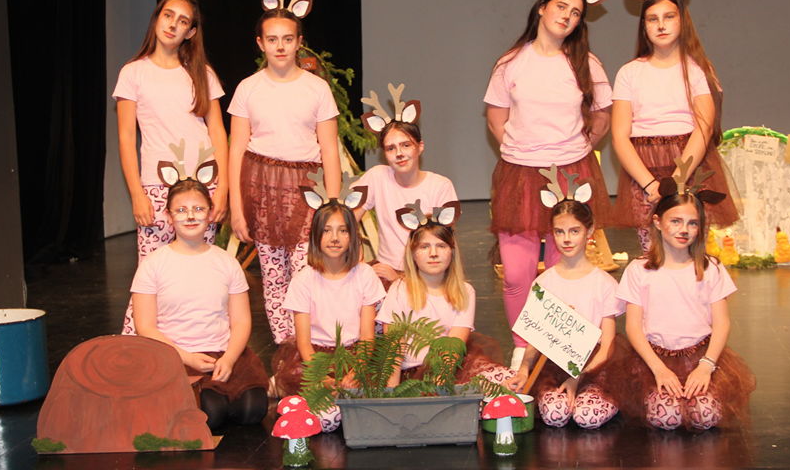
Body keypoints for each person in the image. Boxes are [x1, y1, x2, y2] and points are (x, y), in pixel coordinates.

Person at [483, 0, 615, 368]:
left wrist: (576, 147)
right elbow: (496, 117)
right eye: (561, 7)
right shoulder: (510, 63)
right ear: (542, 7)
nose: (567, 17)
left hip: (570, 173)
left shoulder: (586, 64)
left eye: (576, 13)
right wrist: (522, 148)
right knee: (517, 275)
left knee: (563, 273)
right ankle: (523, 352)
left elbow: (603, 116)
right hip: (520, 175)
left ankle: (557, 356)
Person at [227, 0, 342, 344]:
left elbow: (329, 149)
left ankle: (312, 344)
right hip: (261, 189)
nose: (280, 46)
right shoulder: (248, 88)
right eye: (272, 39)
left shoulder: (316, 88)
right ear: (260, 43)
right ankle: (286, 346)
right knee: (273, 273)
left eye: (287, 39)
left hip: (307, 190)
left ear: (299, 42)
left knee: (306, 270)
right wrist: (237, 208)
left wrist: (333, 205)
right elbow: (236, 150)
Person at [113, 0, 227, 334]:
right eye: (168, 15)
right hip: (157, 186)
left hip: (203, 186)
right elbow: (125, 139)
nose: (173, 25)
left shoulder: (201, 73)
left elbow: (218, 133)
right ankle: (137, 348)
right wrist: (137, 194)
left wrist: (222, 191)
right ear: (157, 18)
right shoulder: (133, 73)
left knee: (197, 271)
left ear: (190, 32)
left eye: (183, 21)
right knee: (152, 274)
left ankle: (193, 342)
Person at [612, 0, 739, 251]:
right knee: (652, 251)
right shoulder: (629, 72)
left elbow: (704, 128)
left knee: (690, 247)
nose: (661, 25)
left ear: (682, 20)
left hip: (688, 164)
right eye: (652, 19)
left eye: (669, 17)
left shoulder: (697, 70)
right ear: (644, 26)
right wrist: (650, 184)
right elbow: (619, 135)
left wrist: (678, 179)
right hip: (643, 167)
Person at [614, 183, 754, 430]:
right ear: (658, 222)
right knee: (666, 417)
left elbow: (722, 323)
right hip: (654, 359)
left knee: (705, 416)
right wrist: (659, 370)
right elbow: (633, 327)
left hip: (700, 357)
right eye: (676, 221)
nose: (684, 230)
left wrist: (706, 366)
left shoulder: (710, 268)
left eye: (692, 223)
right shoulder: (639, 270)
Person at [131, 177, 268, 430]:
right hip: (176, 356)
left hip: (221, 354)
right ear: (169, 216)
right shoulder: (153, 265)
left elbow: (241, 321)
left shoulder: (226, 263)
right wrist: (187, 358)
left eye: (198, 208)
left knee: (253, 410)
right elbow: (145, 327)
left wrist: (229, 358)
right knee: (211, 415)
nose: (190, 216)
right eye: (181, 210)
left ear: (210, 212)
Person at [506, 185, 622, 429]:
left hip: (594, 368)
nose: (567, 239)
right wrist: (525, 368)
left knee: (587, 416)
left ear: (589, 230)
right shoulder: (543, 283)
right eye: (559, 232)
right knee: (554, 415)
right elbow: (537, 338)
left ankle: (596, 400)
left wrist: (578, 378)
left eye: (574, 231)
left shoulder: (604, 284)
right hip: (554, 365)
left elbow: (608, 346)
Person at [377, 201, 512, 387]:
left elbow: (453, 346)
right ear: (413, 253)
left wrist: (441, 388)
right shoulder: (400, 289)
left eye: (441, 246)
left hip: (450, 367)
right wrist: (391, 393)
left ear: (452, 252)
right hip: (412, 374)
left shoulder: (465, 291)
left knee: (505, 381)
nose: (433, 253)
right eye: (424, 247)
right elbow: (394, 348)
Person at [271, 198, 386, 405]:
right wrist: (320, 376)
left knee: (370, 388)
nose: (334, 238)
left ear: (352, 236)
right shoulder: (304, 279)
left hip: (354, 354)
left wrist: (355, 371)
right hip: (315, 356)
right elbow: (304, 343)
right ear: (316, 236)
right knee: (306, 389)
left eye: (343, 231)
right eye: (326, 231)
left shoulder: (365, 274)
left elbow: (367, 337)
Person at [354, 84, 457, 286]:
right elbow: (346, 218)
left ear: (420, 147)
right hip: (386, 272)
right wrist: (357, 256)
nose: (399, 153)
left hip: (427, 276)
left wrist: (402, 278)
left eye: (406, 145)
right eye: (391, 148)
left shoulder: (440, 186)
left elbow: (442, 244)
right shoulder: (377, 177)